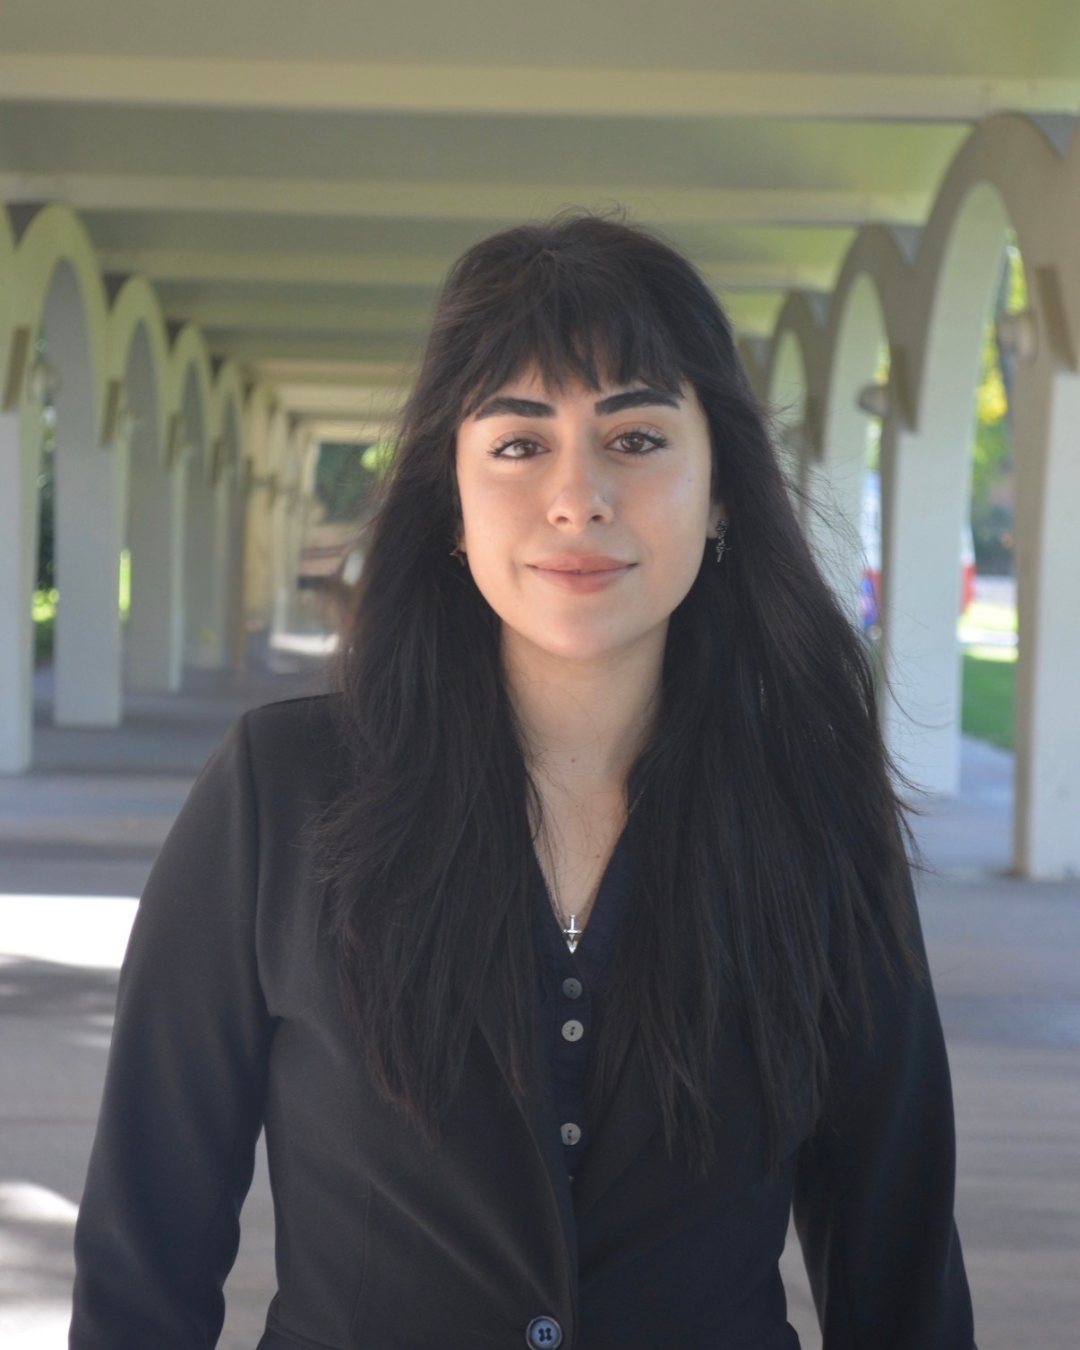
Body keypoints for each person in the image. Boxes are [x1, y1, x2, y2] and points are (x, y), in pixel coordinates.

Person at [69, 211, 977, 1350]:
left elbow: (899, 1260)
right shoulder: (280, 794)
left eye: (636, 438)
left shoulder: (816, 810)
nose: (577, 496)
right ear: (451, 503)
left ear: (723, 492)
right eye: (517, 444)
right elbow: (146, 1253)